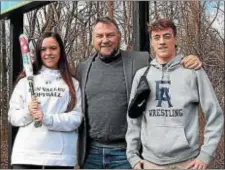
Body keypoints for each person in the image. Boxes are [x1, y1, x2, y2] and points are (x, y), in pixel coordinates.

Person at [75, 16, 202, 169]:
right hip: (91, 153)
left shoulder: (139, 61)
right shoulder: (83, 68)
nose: (105, 40)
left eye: (110, 35)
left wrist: (188, 59)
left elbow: (164, 63)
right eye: (99, 36)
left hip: (126, 153)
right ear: (93, 39)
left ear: (119, 37)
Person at [126, 18, 224, 169]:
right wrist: (132, 155)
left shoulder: (193, 72)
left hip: (187, 162)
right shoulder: (142, 75)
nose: (162, 42)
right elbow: (134, 118)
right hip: (150, 163)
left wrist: (205, 155)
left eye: (167, 36)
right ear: (151, 42)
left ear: (175, 39)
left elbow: (215, 114)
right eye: (156, 37)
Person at [8, 32, 82, 169]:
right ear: (38, 52)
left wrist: (47, 118)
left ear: (61, 50)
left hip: (60, 159)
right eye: (43, 49)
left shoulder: (72, 84)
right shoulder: (25, 82)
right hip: (26, 157)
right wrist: (28, 112)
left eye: (53, 48)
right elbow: (13, 116)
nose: (48, 53)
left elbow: (76, 119)